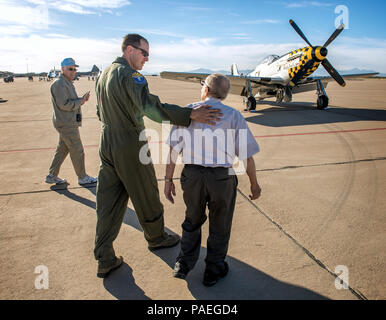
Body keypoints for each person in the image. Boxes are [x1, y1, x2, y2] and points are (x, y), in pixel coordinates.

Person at [94, 34, 223, 278]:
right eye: (144, 53)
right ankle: (156, 237)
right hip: (129, 141)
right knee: (145, 191)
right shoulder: (130, 75)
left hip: (107, 140)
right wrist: (188, 115)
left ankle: (104, 257)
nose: (147, 59)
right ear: (130, 50)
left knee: (108, 200)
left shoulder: (103, 74)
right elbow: (150, 107)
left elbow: (99, 111)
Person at [164, 73, 262, 286]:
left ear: (206, 90)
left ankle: (184, 263)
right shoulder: (234, 115)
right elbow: (247, 155)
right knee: (221, 223)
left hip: (192, 176)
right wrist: (254, 183)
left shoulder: (188, 112)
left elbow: (173, 150)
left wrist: (168, 180)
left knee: (192, 219)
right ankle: (213, 270)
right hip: (223, 177)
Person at [45, 58, 97, 185]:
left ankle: (51, 175)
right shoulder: (59, 84)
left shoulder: (67, 82)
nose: (74, 71)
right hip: (66, 124)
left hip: (67, 122)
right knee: (77, 150)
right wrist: (80, 101)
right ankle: (82, 177)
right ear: (63, 69)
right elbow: (64, 105)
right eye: (70, 69)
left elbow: (70, 102)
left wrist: (82, 100)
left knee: (63, 149)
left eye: (75, 69)